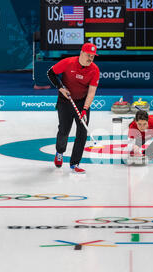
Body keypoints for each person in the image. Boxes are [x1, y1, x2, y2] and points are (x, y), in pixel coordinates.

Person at [47, 43, 100, 174]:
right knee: (64, 130)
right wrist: (60, 88)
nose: (90, 58)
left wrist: (85, 109)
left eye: (93, 56)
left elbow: (92, 92)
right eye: (88, 55)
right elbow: (51, 73)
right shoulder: (68, 62)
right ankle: (60, 152)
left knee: (82, 133)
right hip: (65, 101)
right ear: (81, 53)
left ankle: (75, 163)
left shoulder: (94, 70)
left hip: (82, 102)